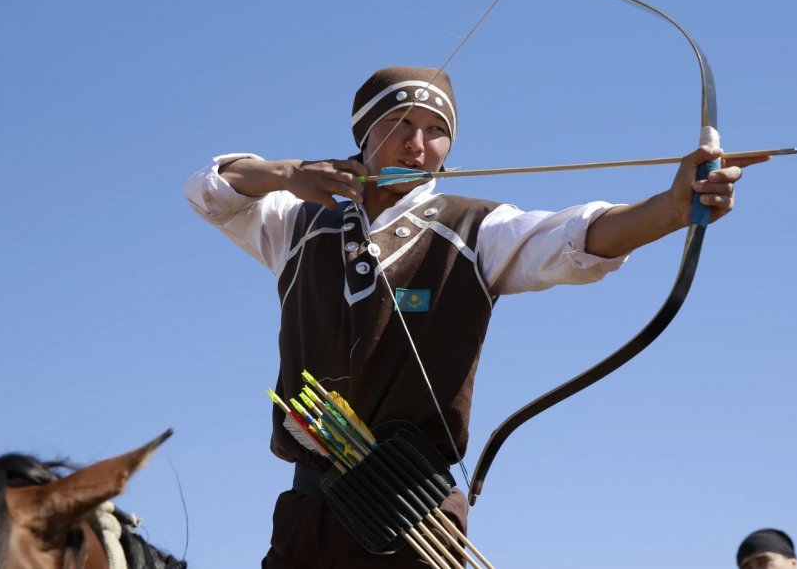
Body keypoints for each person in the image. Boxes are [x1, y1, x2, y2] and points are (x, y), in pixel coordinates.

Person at [186, 65, 764, 567]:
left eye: (437, 132)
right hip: (306, 510)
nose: (418, 145)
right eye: (400, 123)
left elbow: (576, 237)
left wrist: (671, 208)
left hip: (410, 517)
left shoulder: (474, 228)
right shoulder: (300, 223)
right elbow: (212, 191)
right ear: (363, 132)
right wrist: (286, 173)